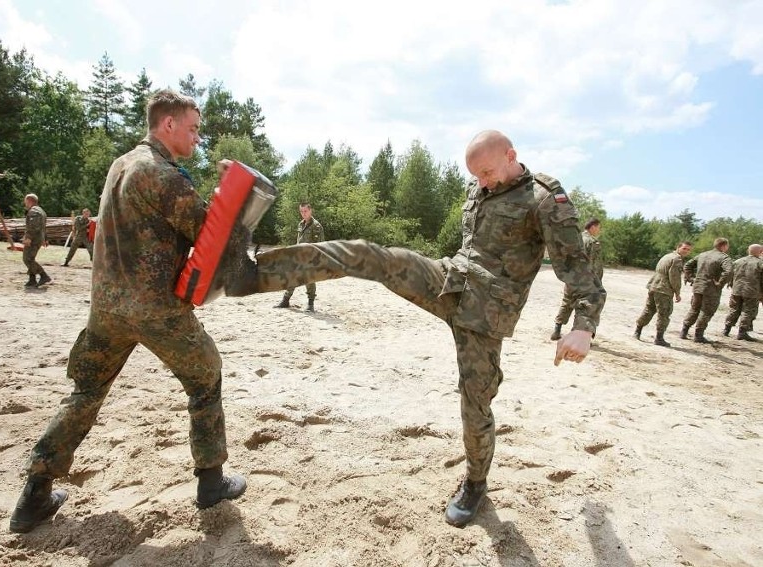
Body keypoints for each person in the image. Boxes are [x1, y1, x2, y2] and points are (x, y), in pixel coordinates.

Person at [232, 130, 605, 528]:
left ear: (512, 155)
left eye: (487, 172)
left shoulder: (545, 199)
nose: (481, 181)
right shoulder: (479, 186)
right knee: (372, 257)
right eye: (475, 174)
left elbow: (579, 270)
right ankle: (253, 276)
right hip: (448, 281)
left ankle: (475, 484)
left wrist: (584, 326)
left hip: (486, 313)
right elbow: (469, 248)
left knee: (475, 403)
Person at [9, 89, 246, 534]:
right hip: (155, 308)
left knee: (85, 392)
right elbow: (210, 236)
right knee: (206, 375)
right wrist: (233, 194)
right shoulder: (163, 174)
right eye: (192, 128)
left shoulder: (120, 163)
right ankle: (211, 483)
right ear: (168, 124)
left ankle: (33, 497)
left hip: (106, 309)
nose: (197, 138)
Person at [550, 217, 603, 340]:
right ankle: (580, 335)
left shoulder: (576, 239)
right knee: (587, 306)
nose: (598, 231)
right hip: (586, 280)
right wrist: (596, 281)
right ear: (593, 227)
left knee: (566, 302)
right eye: (598, 228)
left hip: (571, 277)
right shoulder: (592, 242)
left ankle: (557, 330)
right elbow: (594, 264)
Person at [633, 241, 693, 346]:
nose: (686, 251)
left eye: (688, 249)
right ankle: (659, 338)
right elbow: (674, 277)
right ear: (678, 247)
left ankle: (637, 331)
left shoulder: (667, 256)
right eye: (684, 248)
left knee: (649, 309)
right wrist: (677, 292)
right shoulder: (677, 259)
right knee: (664, 313)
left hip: (654, 285)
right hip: (663, 289)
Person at [680, 238, 733, 343]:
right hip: (711, 289)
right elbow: (729, 271)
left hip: (698, 286)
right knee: (706, 311)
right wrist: (720, 283)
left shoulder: (703, 254)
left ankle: (684, 331)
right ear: (724, 246)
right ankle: (698, 335)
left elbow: (687, 265)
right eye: (727, 246)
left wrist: (691, 278)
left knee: (694, 309)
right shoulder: (724, 257)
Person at [275, 202, 325, 312]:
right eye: (301, 211)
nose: (303, 213)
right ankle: (285, 300)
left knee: (309, 280)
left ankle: (310, 304)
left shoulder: (316, 226)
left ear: (310, 211)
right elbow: (299, 241)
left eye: (305, 211)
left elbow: (320, 245)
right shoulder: (301, 224)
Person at [722, 243, 763, 341]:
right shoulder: (760, 263)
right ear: (760, 252)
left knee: (734, 309)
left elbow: (730, 275)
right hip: (752, 291)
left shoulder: (737, 261)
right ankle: (742, 333)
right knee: (748, 311)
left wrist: (732, 286)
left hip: (737, 290)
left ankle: (726, 330)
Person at [22, 193, 51, 287]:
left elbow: (33, 226)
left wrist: (28, 238)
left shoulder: (33, 211)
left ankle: (44, 275)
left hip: (34, 239)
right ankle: (32, 279)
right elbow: (43, 227)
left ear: (29, 201)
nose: (24, 203)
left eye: (25, 201)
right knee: (31, 258)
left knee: (27, 259)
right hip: (38, 238)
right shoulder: (41, 211)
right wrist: (45, 238)